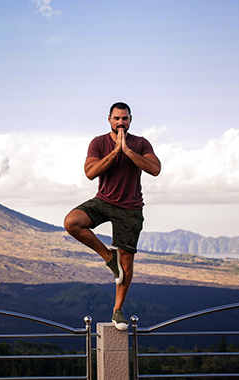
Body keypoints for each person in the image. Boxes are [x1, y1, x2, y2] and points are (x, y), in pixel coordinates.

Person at [64, 102, 161, 330]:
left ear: (130, 120)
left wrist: (128, 151)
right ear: (109, 119)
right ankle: (109, 258)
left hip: (130, 207)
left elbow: (155, 169)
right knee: (71, 222)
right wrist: (116, 152)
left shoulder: (140, 143)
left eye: (124, 119)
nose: (120, 123)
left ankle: (118, 312)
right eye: (116, 118)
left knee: (127, 261)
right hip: (104, 201)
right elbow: (90, 173)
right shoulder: (98, 142)